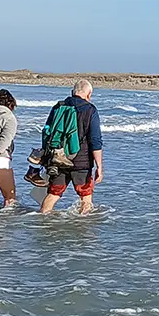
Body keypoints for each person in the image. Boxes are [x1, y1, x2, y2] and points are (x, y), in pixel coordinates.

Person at [40, 79, 104, 215]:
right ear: (89, 94)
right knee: (85, 198)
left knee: (53, 194)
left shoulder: (58, 107)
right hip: (81, 163)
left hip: (58, 158)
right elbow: (95, 140)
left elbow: (47, 132)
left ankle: (43, 225)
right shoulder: (90, 110)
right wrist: (99, 166)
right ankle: (84, 232)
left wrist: (46, 157)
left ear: (72, 92)